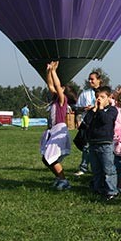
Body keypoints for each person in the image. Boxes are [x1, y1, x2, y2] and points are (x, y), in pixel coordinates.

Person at [40, 61, 75, 190]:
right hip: (52, 131)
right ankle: (59, 178)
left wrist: (54, 72)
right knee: (45, 159)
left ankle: (64, 180)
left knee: (51, 158)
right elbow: (50, 84)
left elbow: (57, 85)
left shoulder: (62, 100)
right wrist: (48, 71)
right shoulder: (55, 99)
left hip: (59, 130)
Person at [85, 86, 119, 199]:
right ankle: (98, 188)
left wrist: (99, 109)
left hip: (105, 143)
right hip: (93, 142)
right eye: (97, 97)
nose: (99, 99)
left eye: (102, 97)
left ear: (109, 98)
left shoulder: (112, 110)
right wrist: (93, 110)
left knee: (108, 169)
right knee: (96, 169)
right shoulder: (94, 111)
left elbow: (106, 120)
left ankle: (111, 191)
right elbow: (86, 123)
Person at [74, 71, 101, 176]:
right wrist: (84, 108)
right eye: (89, 79)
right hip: (89, 123)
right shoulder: (85, 93)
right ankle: (83, 167)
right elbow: (77, 107)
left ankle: (99, 167)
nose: (90, 81)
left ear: (99, 80)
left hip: (102, 123)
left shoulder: (105, 93)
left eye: (92, 79)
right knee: (87, 146)